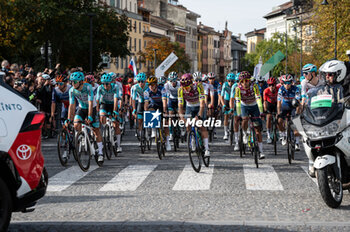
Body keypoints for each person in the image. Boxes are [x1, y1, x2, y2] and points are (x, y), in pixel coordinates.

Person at [66, 71, 104, 164]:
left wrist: (90, 116)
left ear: (81, 82)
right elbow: (71, 105)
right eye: (71, 82)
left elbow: (91, 103)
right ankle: (82, 137)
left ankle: (100, 152)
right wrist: (69, 118)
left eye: (74, 82)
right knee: (76, 124)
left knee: (95, 130)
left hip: (92, 108)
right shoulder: (72, 90)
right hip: (82, 108)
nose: (72, 84)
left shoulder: (88, 87)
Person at [178, 73, 210, 157]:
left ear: (192, 83)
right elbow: (180, 106)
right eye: (184, 87)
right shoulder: (180, 90)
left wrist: (199, 116)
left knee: (201, 126)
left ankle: (206, 149)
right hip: (189, 107)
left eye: (188, 87)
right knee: (188, 125)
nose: (186, 89)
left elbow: (203, 104)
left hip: (199, 106)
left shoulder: (199, 86)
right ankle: (192, 140)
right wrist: (181, 117)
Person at [235, 71, 265, 159]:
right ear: (240, 82)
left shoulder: (254, 86)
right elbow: (237, 102)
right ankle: (244, 134)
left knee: (257, 130)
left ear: (249, 81)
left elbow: (259, 99)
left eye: (247, 81)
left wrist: (261, 111)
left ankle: (261, 151)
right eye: (243, 81)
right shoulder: (238, 89)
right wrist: (239, 113)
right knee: (244, 119)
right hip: (244, 105)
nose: (245, 83)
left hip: (254, 105)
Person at [96, 73, 122, 153]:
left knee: (116, 124)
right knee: (102, 116)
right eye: (103, 83)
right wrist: (97, 111)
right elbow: (97, 100)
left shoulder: (115, 87)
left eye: (107, 84)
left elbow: (115, 100)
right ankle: (104, 131)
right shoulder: (100, 88)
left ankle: (118, 145)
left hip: (112, 104)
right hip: (104, 104)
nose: (105, 85)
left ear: (110, 82)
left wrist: (114, 111)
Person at [144, 76, 171, 151]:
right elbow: (146, 104)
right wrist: (146, 112)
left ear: (156, 84)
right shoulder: (147, 91)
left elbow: (164, 102)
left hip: (162, 104)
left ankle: (168, 142)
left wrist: (165, 111)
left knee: (165, 123)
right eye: (149, 85)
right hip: (154, 105)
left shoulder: (162, 89)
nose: (151, 86)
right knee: (150, 110)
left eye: (152, 85)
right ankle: (153, 129)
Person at [277, 74, 301, 150]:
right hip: (285, 105)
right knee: (279, 120)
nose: (287, 85)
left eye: (288, 83)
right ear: (282, 83)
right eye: (285, 83)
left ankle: (297, 142)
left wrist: (297, 114)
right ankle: (283, 135)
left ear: (291, 82)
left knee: (297, 123)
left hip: (293, 105)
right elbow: (279, 102)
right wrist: (278, 113)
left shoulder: (296, 89)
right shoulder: (281, 89)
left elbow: (298, 102)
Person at [164, 71, 181, 140]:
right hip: (171, 99)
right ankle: (171, 133)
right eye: (171, 81)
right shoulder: (167, 85)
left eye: (174, 81)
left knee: (180, 114)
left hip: (179, 99)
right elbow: (167, 96)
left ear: (177, 80)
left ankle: (181, 128)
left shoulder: (180, 84)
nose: (173, 82)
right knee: (170, 116)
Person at [132, 72, 148, 138]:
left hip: (148, 102)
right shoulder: (135, 87)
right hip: (140, 102)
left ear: (145, 81)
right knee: (139, 119)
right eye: (139, 81)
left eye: (142, 81)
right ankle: (141, 131)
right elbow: (133, 99)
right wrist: (134, 109)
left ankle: (148, 130)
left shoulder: (148, 86)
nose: (141, 83)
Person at [263, 77, 279, 144]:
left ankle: (278, 132)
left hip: (276, 103)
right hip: (269, 104)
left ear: (275, 85)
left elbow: (280, 101)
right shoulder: (266, 91)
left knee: (279, 117)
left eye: (273, 85)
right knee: (269, 117)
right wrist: (265, 110)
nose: (271, 86)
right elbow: (265, 102)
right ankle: (268, 135)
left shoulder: (278, 89)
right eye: (270, 85)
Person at [221, 73, 235, 140]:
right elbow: (221, 96)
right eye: (229, 81)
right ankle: (226, 133)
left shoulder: (235, 85)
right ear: (227, 80)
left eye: (232, 81)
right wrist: (223, 104)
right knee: (226, 116)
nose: (230, 82)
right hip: (227, 99)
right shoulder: (225, 85)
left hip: (234, 100)